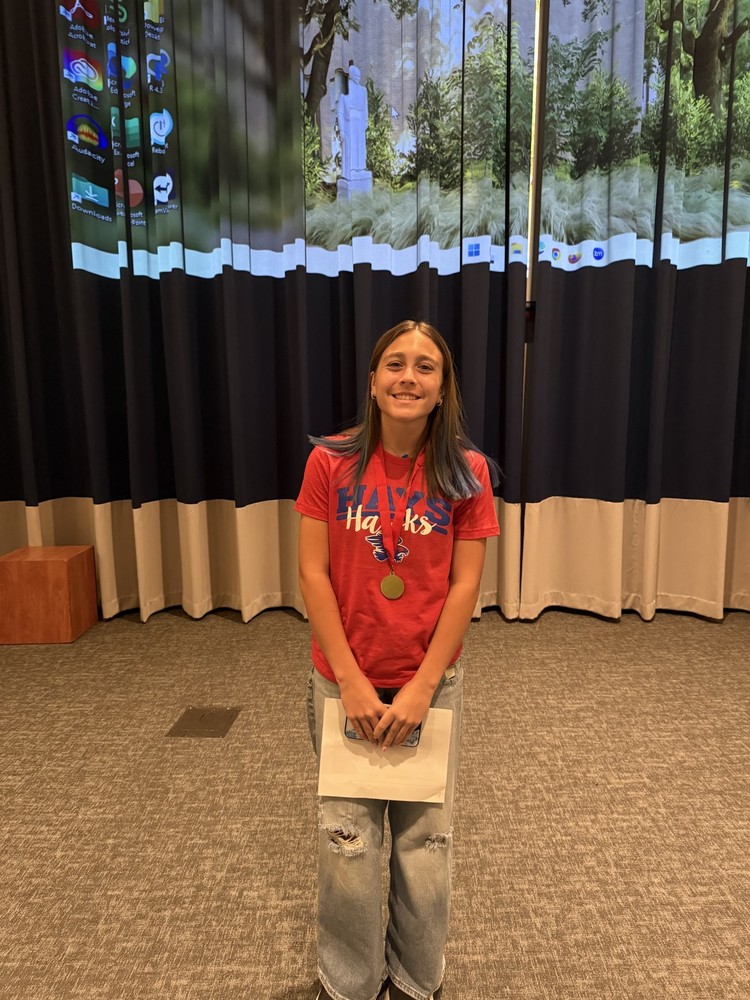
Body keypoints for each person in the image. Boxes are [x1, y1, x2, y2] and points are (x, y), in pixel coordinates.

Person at [295, 319, 500, 1000]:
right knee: (346, 844)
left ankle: (417, 981)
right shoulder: (329, 462)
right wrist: (350, 681)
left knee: (423, 846)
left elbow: (465, 587)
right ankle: (347, 983)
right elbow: (313, 575)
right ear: (374, 383)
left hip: (431, 686)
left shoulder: (467, 473)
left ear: (443, 389)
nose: (408, 377)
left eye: (425, 367)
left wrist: (422, 688)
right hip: (342, 683)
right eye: (394, 364)